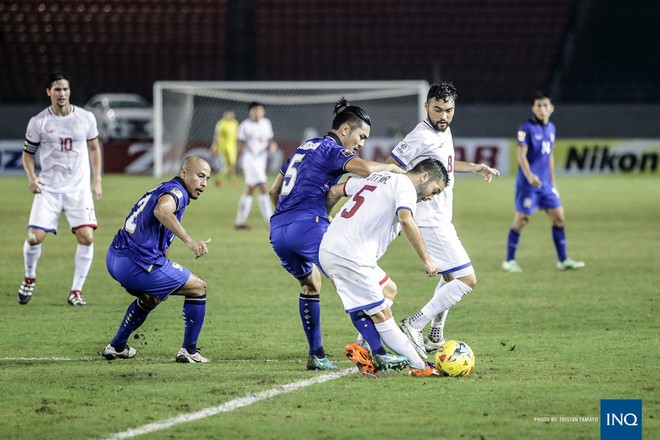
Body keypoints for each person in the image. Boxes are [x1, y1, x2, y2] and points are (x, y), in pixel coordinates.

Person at [268, 97, 405, 370]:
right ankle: (378, 352)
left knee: (311, 285)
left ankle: (317, 355)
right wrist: (390, 167)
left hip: (278, 231)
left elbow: (274, 191)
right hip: (308, 226)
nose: (361, 144)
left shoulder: (302, 148)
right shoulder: (331, 148)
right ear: (345, 130)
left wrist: (288, 220)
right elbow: (365, 169)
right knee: (351, 281)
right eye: (361, 136)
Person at [387, 83, 500, 358]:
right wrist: (405, 203)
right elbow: (392, 166)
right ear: (426, 106)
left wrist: (473, 167)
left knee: (451, 276)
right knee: (466, 279)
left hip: (440, 218)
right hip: (427, 220)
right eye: (437, 109)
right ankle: (415, 323)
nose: (443, 115)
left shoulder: (443, 130)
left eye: (448, 110)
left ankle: (436, 334)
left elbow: (445, 166)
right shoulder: (419, 136)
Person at [320, 158, 450, 377]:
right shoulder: (406, 187)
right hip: (351, 255)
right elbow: (406, 220)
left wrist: (328, 217)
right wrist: (427, 259)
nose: (430, 197)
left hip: (332, 248)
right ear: (424, 176)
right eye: (435, 191)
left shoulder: (379, 177)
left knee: (388, 289)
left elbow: (334, 190)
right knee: (382, 314)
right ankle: (419, 366)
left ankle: (362, 347)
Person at [102, 156, 212, 363]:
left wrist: (166, 267)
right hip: (136, 264)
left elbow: (161, 234)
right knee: (198, 287)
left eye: (207, 178)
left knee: (151, 298)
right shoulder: (178, 192)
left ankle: (116, 346)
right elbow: (162, 211)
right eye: (200, 176)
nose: (204, 183)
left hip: (115, 257)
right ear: (183, 173)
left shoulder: (163, 187)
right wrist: (190, 242)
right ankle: (189, 351)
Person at [18, 71, 102, 307]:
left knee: (86, 237)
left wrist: (97, 180)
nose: (61, 93)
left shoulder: (85, 118)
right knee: (34, 238)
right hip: (49, 189)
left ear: (69, 91)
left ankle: (76, 291)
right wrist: (31, 177)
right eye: (57, 89)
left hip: (78, 189)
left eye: (65, 89)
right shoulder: (38, 122)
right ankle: (29, 276)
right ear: (49, 92)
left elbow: (94, 148)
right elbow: (27, 154)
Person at [502, 92, 585, 273]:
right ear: (533, 108)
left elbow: (549, 157)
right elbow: (521, 155)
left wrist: (553, 182)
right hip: (528, 184)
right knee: (522, 220)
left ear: (552, 108)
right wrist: (530, 176)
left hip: (546, 185)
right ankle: (509, 260)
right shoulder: (525, 128)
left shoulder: (552, 128)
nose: (542, 109)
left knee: (559, 217)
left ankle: (563, 260)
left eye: (545, 105)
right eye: (538, 105)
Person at [234, 102, 278, 230]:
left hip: (261, 160)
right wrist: (235, 163)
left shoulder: (266, 123)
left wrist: (272, 145)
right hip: (250, 160)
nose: (257, 112)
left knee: (249, 189)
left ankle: (239, 222)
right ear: (250, 112)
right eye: (255, 110)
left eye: (260, 110)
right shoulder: (245, 126)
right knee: (263, 187)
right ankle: (270, 222)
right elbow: (240, 145)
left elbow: (270, 140)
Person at [211, 109, 239, 189]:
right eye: (228, 114)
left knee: (231, 166)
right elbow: (217, 135)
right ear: (225, 115)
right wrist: (214, 146)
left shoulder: (235, 123)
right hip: (223, 147)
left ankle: (227, 181)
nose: (230, 116)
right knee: (230, 165)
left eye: (231, 114)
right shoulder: (221, 123)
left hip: (233, 147)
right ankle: (222, 180)